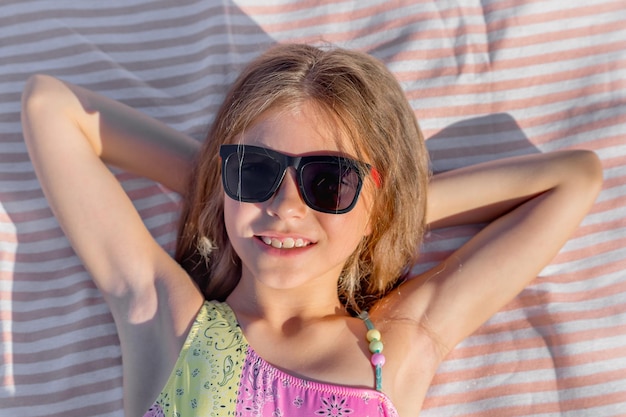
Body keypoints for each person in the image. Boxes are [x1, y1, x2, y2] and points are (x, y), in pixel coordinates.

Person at [21, 43, 602, 417]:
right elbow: (51, 106)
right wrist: (219, 186)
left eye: (328, 182)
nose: (286, 207)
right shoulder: (165, 319)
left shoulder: (400, 343)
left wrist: (382, 214)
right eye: (257, 170)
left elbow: (573, 179)